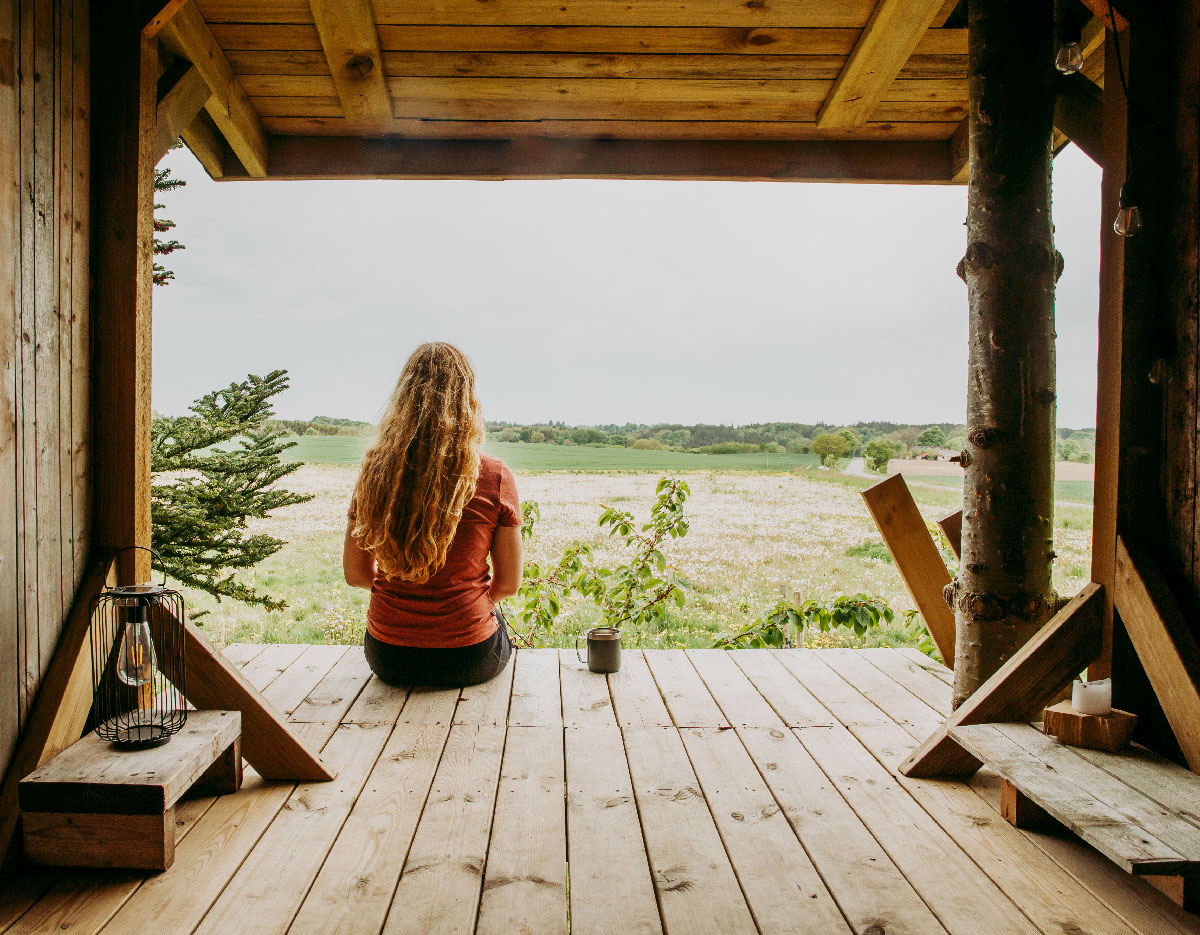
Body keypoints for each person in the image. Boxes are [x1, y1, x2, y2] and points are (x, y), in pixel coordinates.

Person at [342, 342, 522, 687]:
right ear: (467, 401)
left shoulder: (375, 473)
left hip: (388, 657)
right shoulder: (494, 476)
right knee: (495, 620)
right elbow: (508, 585)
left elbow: (356, 575)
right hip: (470, 656)